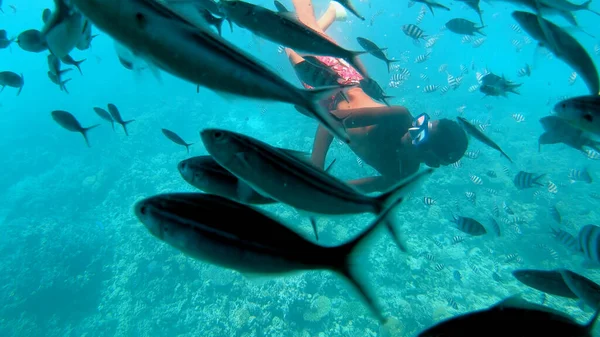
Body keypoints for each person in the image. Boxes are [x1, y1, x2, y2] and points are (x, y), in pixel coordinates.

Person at [284, 0, 468, 193]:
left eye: (421, 134)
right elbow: (331, 120)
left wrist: (321, 192)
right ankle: (329, 12)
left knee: (296, 38)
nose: (414, 127)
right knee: (292, 40)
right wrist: (316, 167)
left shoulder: (402, 174)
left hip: (323, 103)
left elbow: (350, 191)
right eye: (422, 122)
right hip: (337, 81)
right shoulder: (399, 116)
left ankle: (332, 12)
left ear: (431, 160)